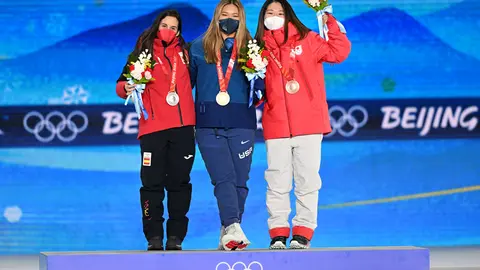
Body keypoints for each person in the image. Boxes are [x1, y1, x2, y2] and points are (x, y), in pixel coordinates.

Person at [254, 0, 351, 249]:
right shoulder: (257, 49)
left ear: (289, 16)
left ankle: (303, 232)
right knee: (277, 181)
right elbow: (254, 89)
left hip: (308, 122)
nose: (274, 17)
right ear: (262, 17)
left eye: (279, 13)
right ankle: (277, 232)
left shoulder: (308, 39)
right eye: (269, 13)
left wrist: (326, 17)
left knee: (307, 180)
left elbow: (339, 52)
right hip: (276, 124)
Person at [115, 10, 196, 251]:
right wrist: (127, 87)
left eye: (173, 27)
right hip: (153, 129)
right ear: (156, 25)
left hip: (183, 128)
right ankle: (153, 236)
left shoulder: (188, 54)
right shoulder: (143, 53)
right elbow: (121, 84)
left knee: (180, 183)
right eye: (164, 25)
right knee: (151, 184)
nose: (168, 30)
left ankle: (176, 237)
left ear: (179, 32)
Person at [188, 0, 263, 251]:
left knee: (241, 180)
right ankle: (232, 225)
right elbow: (184, 86)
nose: (229, 19)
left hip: (242, 122)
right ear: (216, 17)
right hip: (209, 125)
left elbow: (262, 89)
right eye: (224, 14)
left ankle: (229, 231)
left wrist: (261, 84)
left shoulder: (252, 49)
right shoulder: (198, 47)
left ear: (242, 19)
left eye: (234, 15)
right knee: (224, 178)